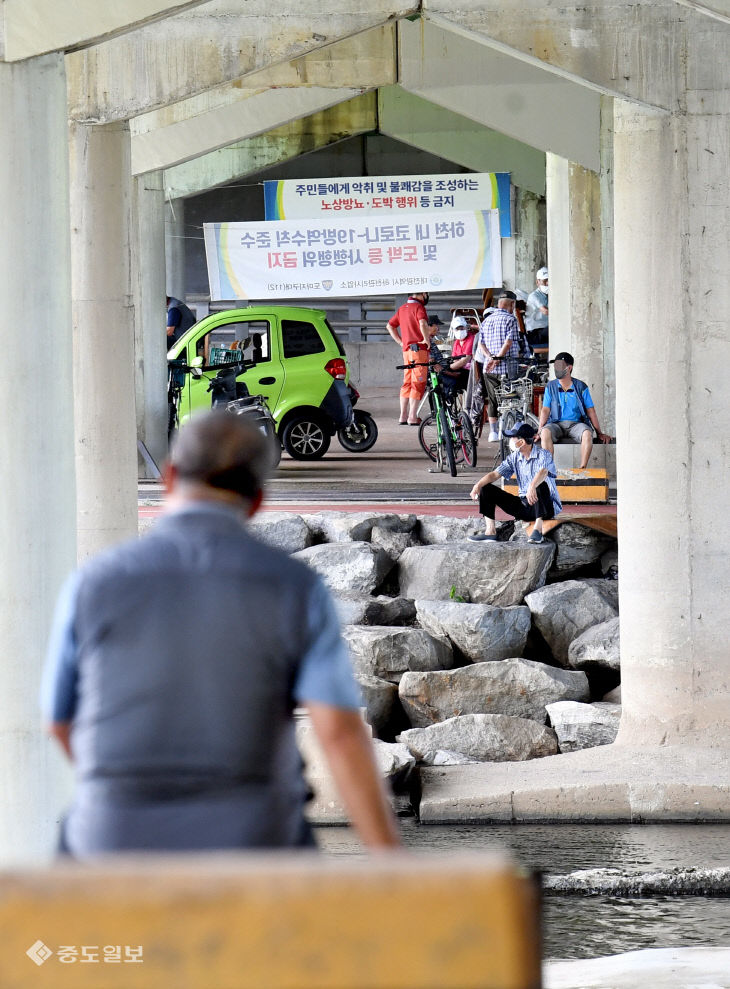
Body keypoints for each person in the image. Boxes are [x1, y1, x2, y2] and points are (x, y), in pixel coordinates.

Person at [41, 412, 401, 857]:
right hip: (253, 845)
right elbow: (340, 734)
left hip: (109, 845)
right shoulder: (294, 588)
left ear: (170, 477)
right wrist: (392, 861)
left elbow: (59, 722)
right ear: (255, 501)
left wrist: (121, 793)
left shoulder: (92, 582)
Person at [468, 422, 562, 544]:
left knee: (540, 485)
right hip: (525, 506)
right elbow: (495, 474)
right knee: (486, 488)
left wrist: (532, 486)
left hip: (545, 507)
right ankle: (490, 532)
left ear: (522, 441)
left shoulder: (543, 454)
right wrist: (478, 485)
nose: (510, 440)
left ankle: (538, 531)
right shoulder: (515, 457)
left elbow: (543, 472)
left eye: (513, 437)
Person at [538, 351, 611, 470]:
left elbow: (590, 411)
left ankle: (582, 469)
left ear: (569, 368)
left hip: (576, 425)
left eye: (559, 365)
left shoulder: (581, 386)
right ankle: (548, 471)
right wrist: (540, 429)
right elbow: (545, 410)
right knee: (545, 432)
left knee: (587, 434)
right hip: (556, 424)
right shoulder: (550, 386)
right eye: (555, 365)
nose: (556, 368)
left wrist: (599, 433)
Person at [470, 290, 522, 442]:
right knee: (512, 399)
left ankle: (493, 432)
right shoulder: (511, 319)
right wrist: (498, 359)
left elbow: (481, 343)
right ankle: (509, 431)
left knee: (493, 399)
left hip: (489, 369)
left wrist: (490, 358)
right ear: (511, 304)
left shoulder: (486, 320)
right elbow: (509, 342)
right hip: (507, 367)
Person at [386, 290, 431, 425]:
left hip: (407, 352)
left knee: (407, 382)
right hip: (419, 351)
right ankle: (412, 417)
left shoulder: (402, 308)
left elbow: (389, 326)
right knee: (418, 383)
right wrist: (426, 339)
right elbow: (422, 323)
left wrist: (400, 342)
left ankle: (403, 416)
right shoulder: (418, 307)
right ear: (423, 293)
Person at [525, 267, 549, 349]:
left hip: (544, 331)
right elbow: (545, 311)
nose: (547, 283)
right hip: (535, 334)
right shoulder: (534, 296)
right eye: (544, 281)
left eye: (549, 280)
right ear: (537, 282)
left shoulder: (549, 295)